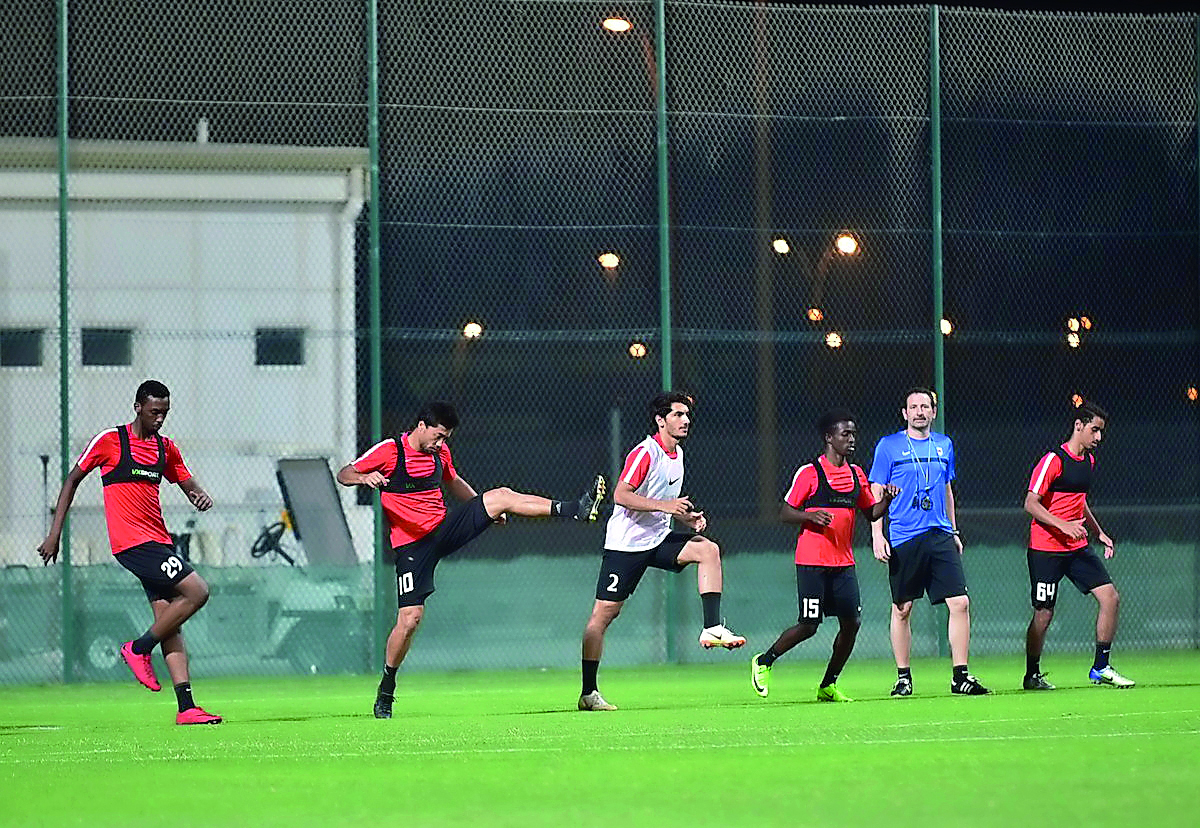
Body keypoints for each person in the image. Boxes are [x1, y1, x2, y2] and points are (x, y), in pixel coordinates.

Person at [336, 401, 606, 719]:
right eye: (438, 436)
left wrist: (486, 510)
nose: (441, 443)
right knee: (410, 620)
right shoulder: (390, 451)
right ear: (421, 426)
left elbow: (453, 482)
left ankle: (576, 508)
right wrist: (364, 479)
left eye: (446, 438)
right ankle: (386, 690)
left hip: (444, 528)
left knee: (500, 496)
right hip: (412, 546)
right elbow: (345, 473)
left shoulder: (440, 453)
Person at [37, 380, 221, 725]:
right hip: (133, 544)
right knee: (197, 590)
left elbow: (187, 483)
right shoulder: (110, 441)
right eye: (154, 412)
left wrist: (199, 495)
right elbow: (72, 480)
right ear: (138, 407)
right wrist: (54, 534)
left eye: (165, 413)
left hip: (158, 542)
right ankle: (138, 648)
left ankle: (186, 708)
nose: (160, 419)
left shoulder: (166, 449)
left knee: (171, 620)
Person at [578, 391, 745, 712]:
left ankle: (711, 628)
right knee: (603, 616)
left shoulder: (678, 454)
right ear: (660, 420)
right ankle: (588, 692)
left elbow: (661, 504)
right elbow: (622, 495)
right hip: (625, 546)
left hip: (657, 539)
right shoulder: (645, 452)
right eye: (678, 415)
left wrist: (685, 516)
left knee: (708, 550)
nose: (685, 421)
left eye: (687, 415)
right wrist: (667, 506)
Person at [751, 409, 898, 701]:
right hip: (812, 562)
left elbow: (871, 512)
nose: (852, 439)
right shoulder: (810, 473)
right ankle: (764, 661)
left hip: (844, 564)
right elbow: (784, 512)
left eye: (854, 433)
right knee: (809, 626)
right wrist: (809, 515)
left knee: (852, 624)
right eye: (845, 434)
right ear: (829, 438)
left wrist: (888, 500)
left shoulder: (856, 474)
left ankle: (828, 684)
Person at [869, 387, 990, 696]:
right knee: (902, 608)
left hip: (939, 534)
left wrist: (954, 530)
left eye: (925, 406)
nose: (920, 411)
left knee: (960, 603)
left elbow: (947, 490)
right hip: (904, 536)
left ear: (934, 412)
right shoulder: (889, 446)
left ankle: (960, 676)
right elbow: (876, 493)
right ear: (905, 413)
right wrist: (877, 534)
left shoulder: (944, 445)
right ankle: (903, 677)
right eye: (914, 407)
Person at [1022, 402, 1133, 690]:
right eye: (1094, 430)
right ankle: (1032, 674)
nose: (1098, 438)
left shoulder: (1089, 462)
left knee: (1110, 598)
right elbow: (1030, 503)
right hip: (1045, 548)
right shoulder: (1053, 460)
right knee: (1044, 614)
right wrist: (1063, 525)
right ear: (1078, 426)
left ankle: (1101, 667)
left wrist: (1099, 533)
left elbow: (1079, 503)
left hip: (1076, 548)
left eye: (1101, 432)